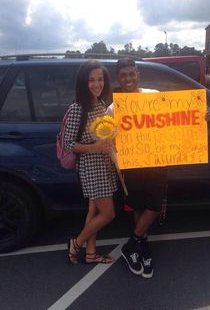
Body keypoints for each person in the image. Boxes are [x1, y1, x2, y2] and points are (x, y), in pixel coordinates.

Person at [107, 57, 167, 279]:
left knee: (154, 204)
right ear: (118, 78)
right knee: (139, 206)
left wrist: (201, 117)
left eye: (131, 74)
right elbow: (105, 133)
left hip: (157, 160)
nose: (128, 78)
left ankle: (131, 244)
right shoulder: (114, 107)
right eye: (123, 75)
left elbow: (175, 119)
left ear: (138, 74)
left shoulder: (153, 95)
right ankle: (142, 247)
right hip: (132, 165)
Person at [64, 60, 118, 265]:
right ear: (83, 83)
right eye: (91, 80)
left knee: (93, 212)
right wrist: (95, 147)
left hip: (105, 164)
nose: (97, 84)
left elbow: (105, 133)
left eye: (100, 79)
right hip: (91, 166)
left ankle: (91, 254)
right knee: (108, 214)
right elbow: (69, 144)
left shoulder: (101, 104)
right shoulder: (77, 108)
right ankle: (76, 243)